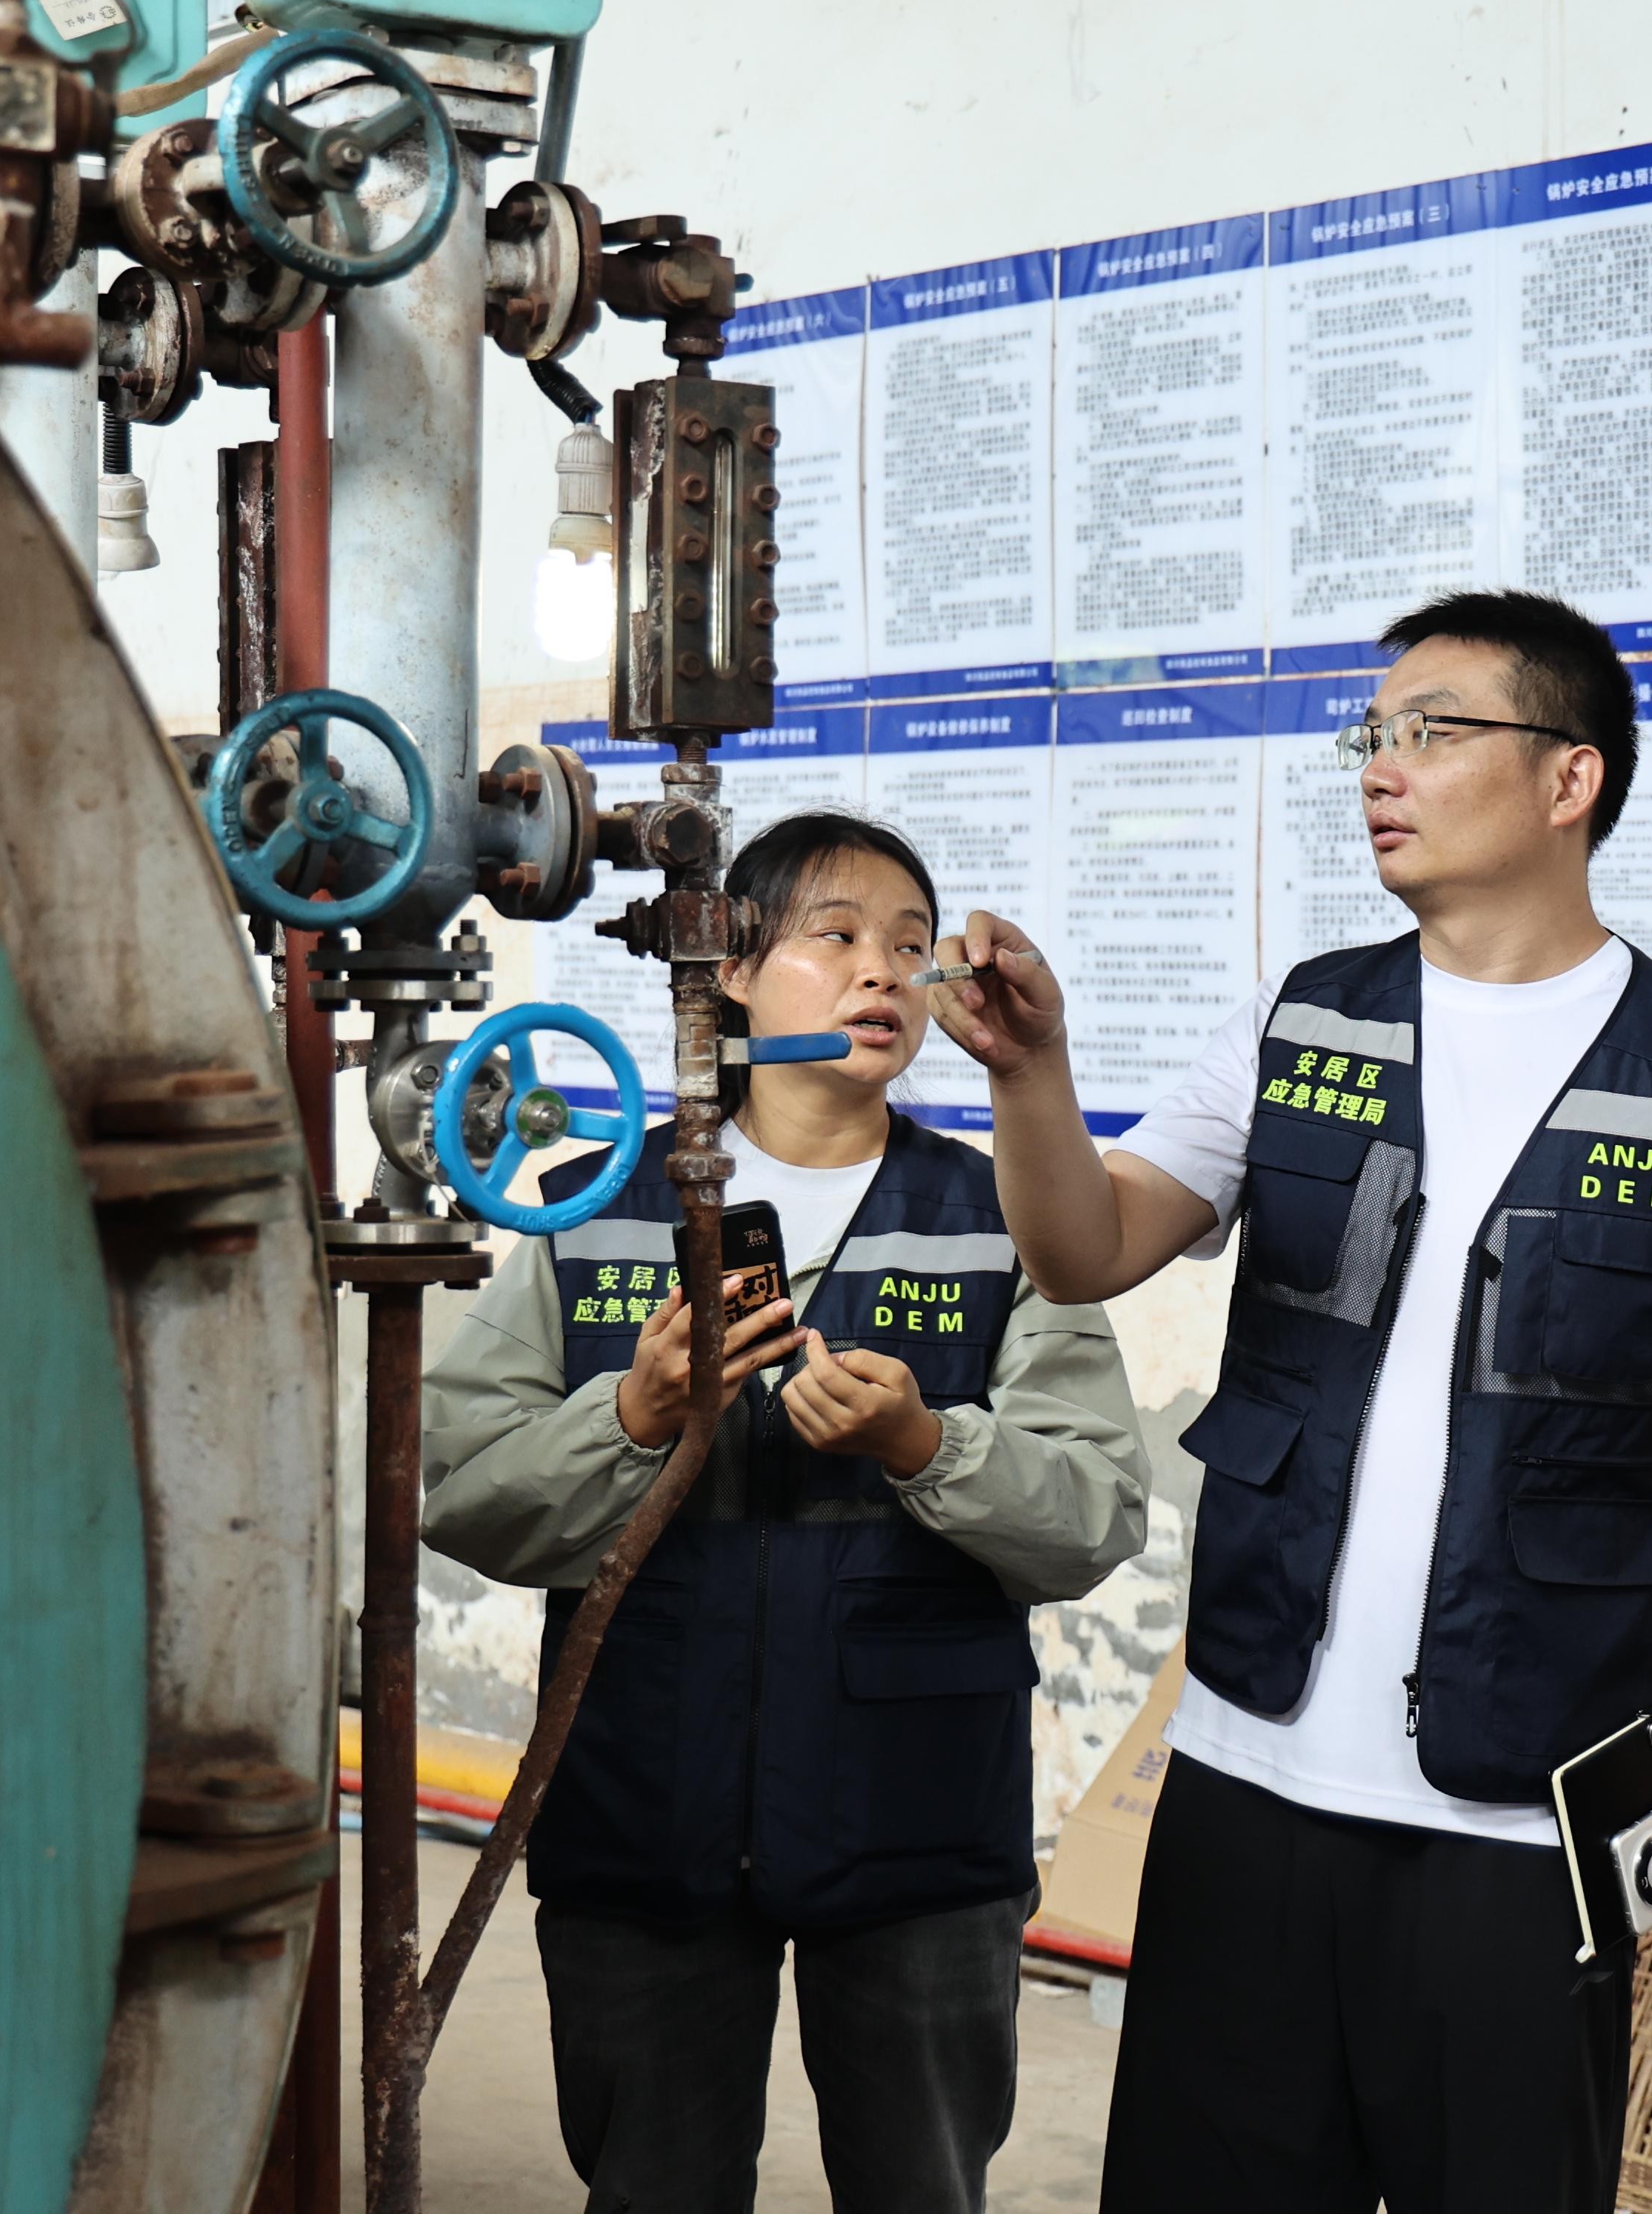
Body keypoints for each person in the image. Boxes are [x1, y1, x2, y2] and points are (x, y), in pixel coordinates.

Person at [925, 588, 1652, 2214]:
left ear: (1570, 778)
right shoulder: (1307, 1023)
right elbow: (1085, 1249)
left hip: (1530, 1817)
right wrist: (1029, 1077)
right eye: (1375, 733)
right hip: (1250, 1776)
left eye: (1433, 730)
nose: (1382, 766)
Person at [419, 813, 1150, 2214]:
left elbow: (1098, 1512)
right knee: (653, 2184)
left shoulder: (1004, 1216)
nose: (884, 972)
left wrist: (926, 1444)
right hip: (644, 1797)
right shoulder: (599, 1207)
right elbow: (462, 1492)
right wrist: (632, 1418)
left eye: (912, 948)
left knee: (921, 2185)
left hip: (919, 1819)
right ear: (735, 970)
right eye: (838, 935)